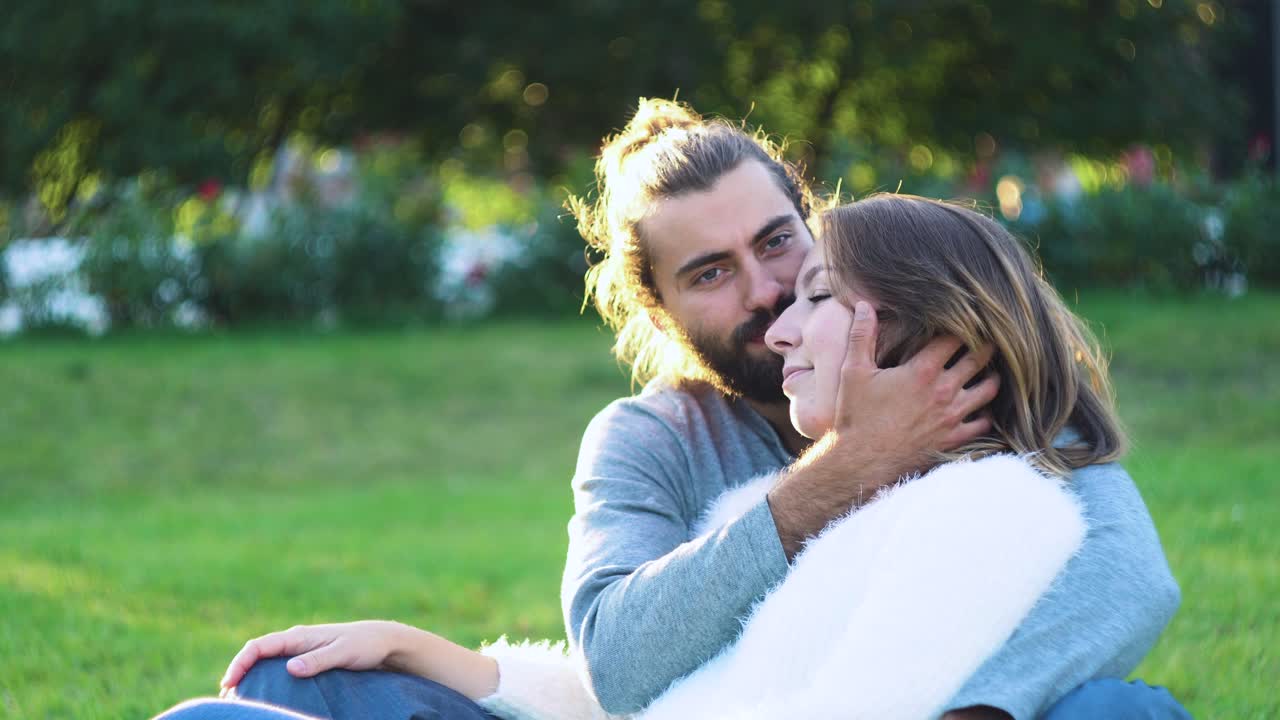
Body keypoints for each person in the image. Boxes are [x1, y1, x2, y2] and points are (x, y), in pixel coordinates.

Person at [157, 100, 1185, 719]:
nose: (768, 294)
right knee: (302, 684)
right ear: (659, 307)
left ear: (814, 224)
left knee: (1109, 710)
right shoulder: (652, 439)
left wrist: (972, 708)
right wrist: (844, 470)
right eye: (710, 273)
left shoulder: (962, 399)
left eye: (780, 244)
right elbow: (627, 671)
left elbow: (1124, 572)